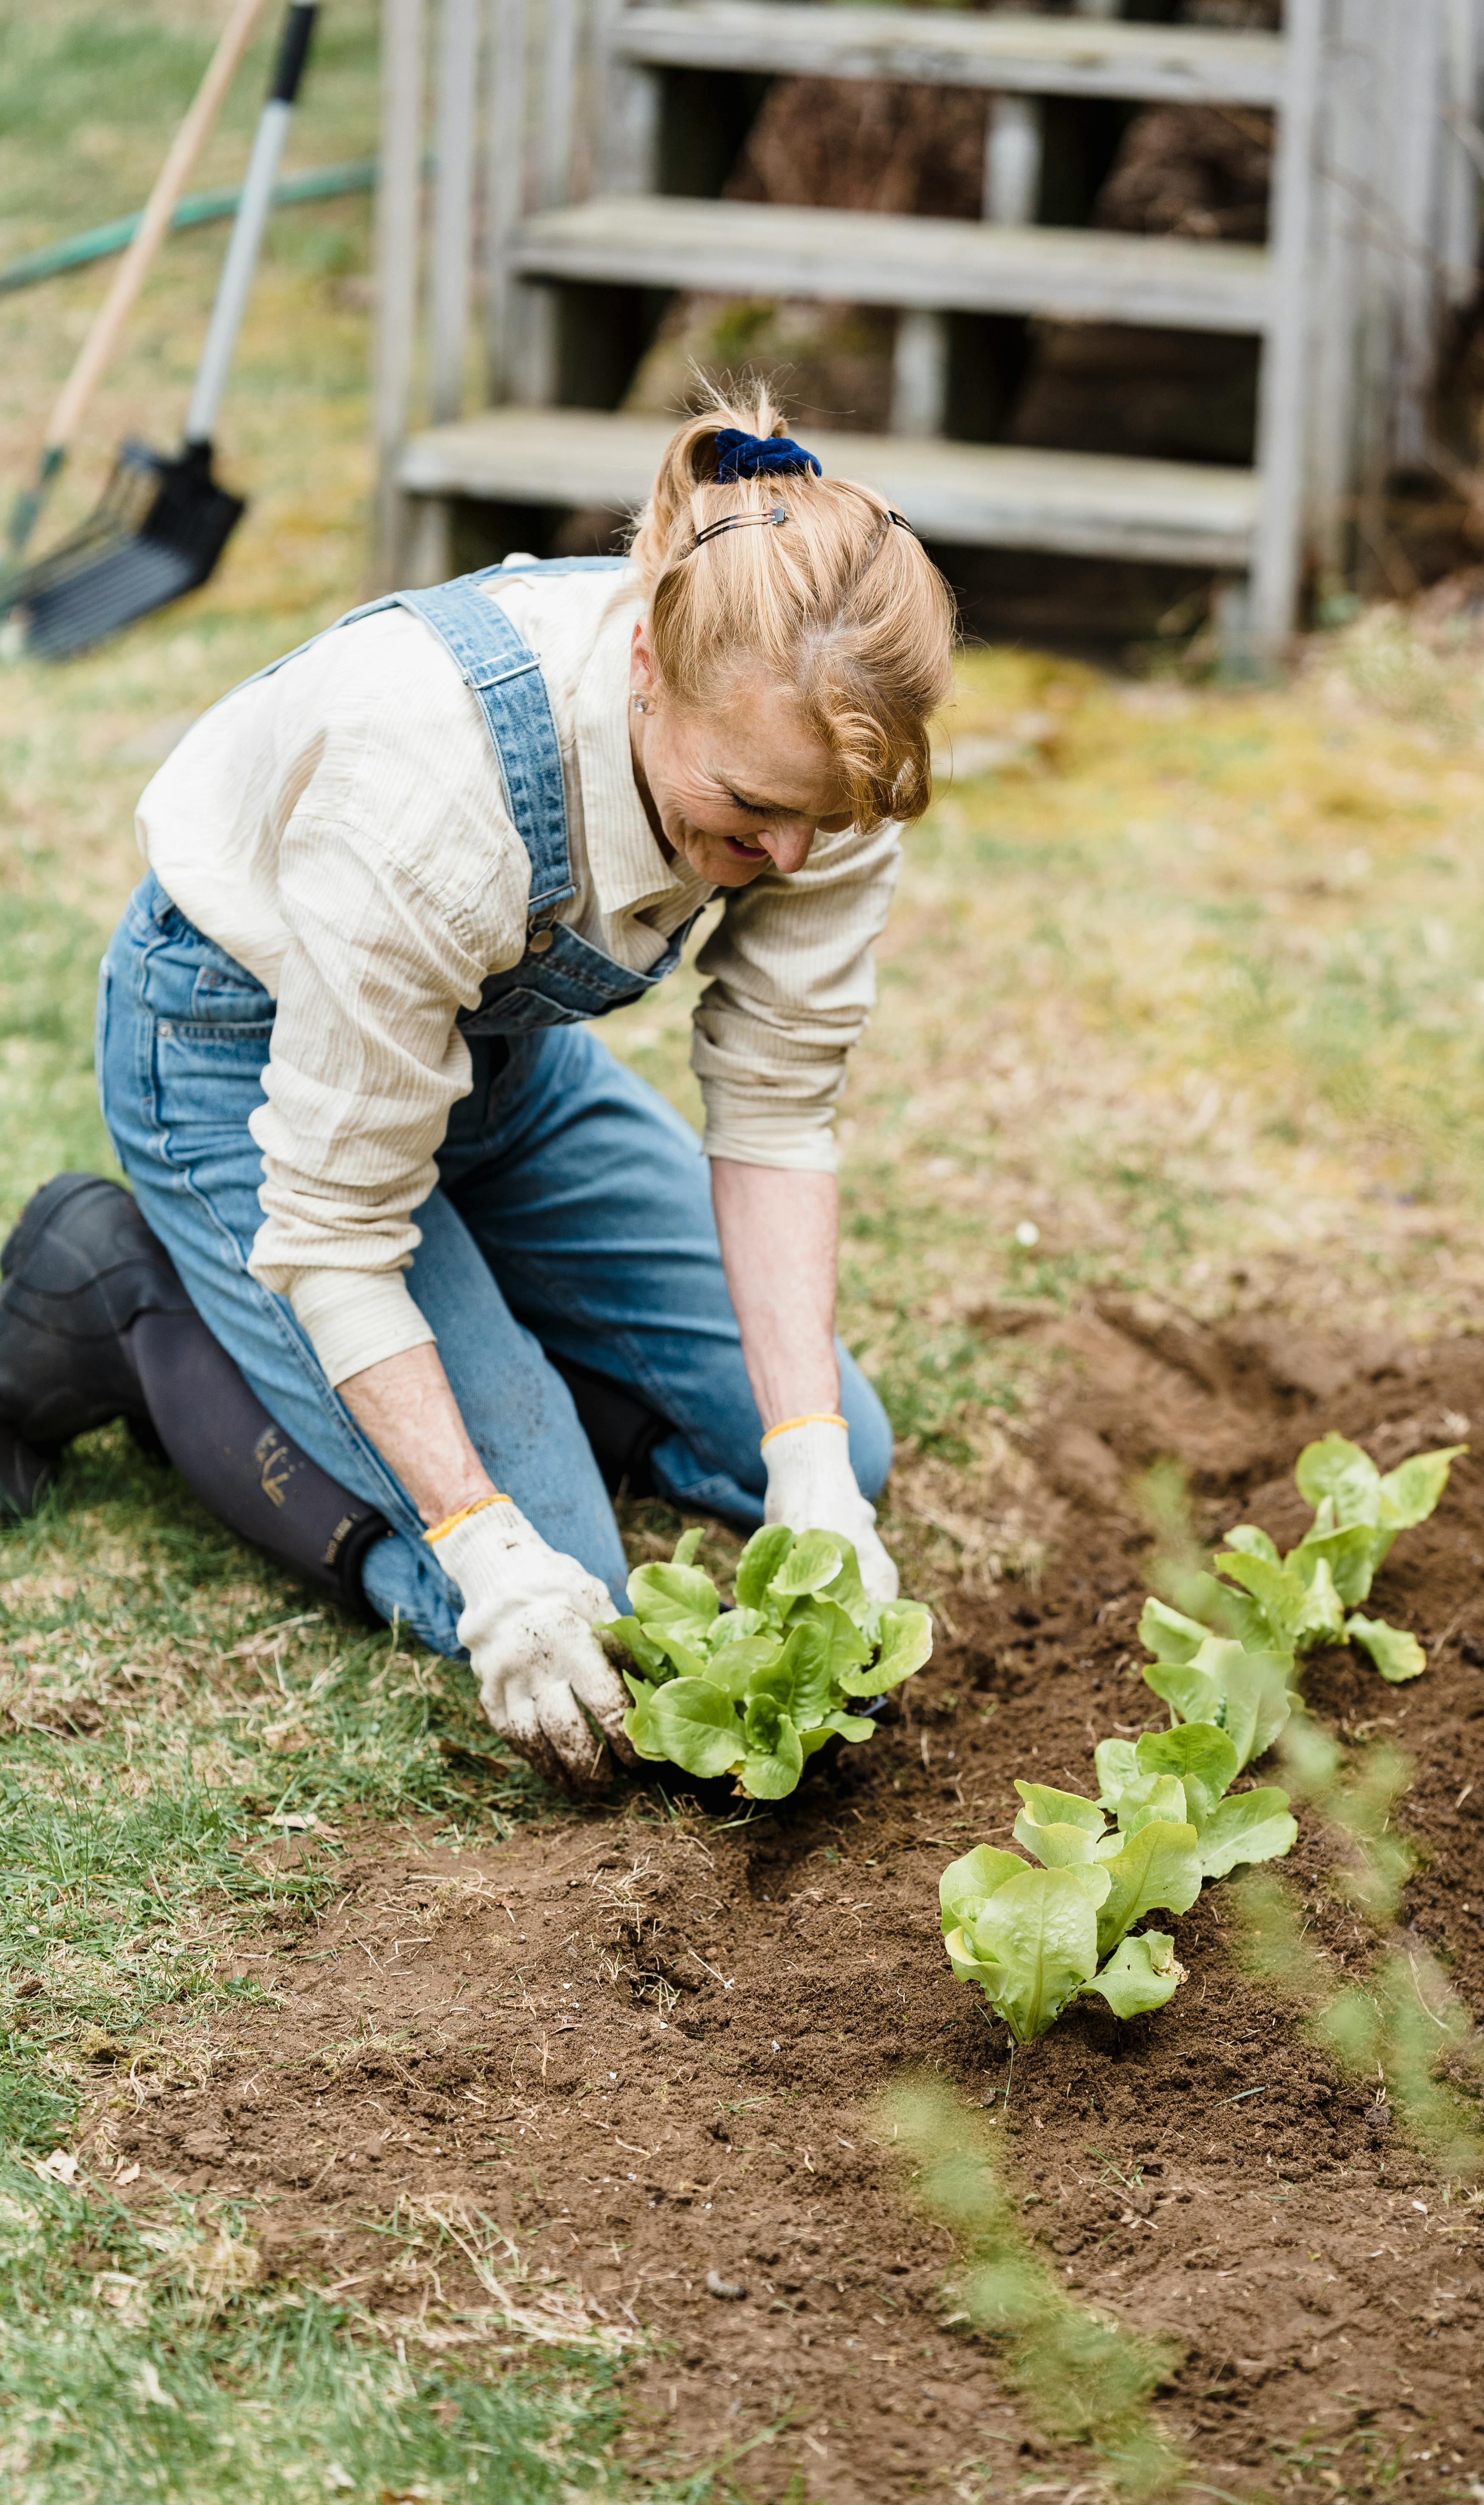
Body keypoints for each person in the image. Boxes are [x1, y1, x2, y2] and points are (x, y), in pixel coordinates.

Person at [0, 392, 955, 1785]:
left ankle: (494, 1327)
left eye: (827, 821)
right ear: (645, 660)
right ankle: (126, 1303)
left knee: (835, 1462)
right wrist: (482, 1545)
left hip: (492, 1072)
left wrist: (804, 1455)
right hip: (242, 1061)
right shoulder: (430, 793)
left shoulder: (824, 752)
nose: (796, 857)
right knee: (556, 1590)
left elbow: (775, 1105)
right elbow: (335, 1225)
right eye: (752, 814)